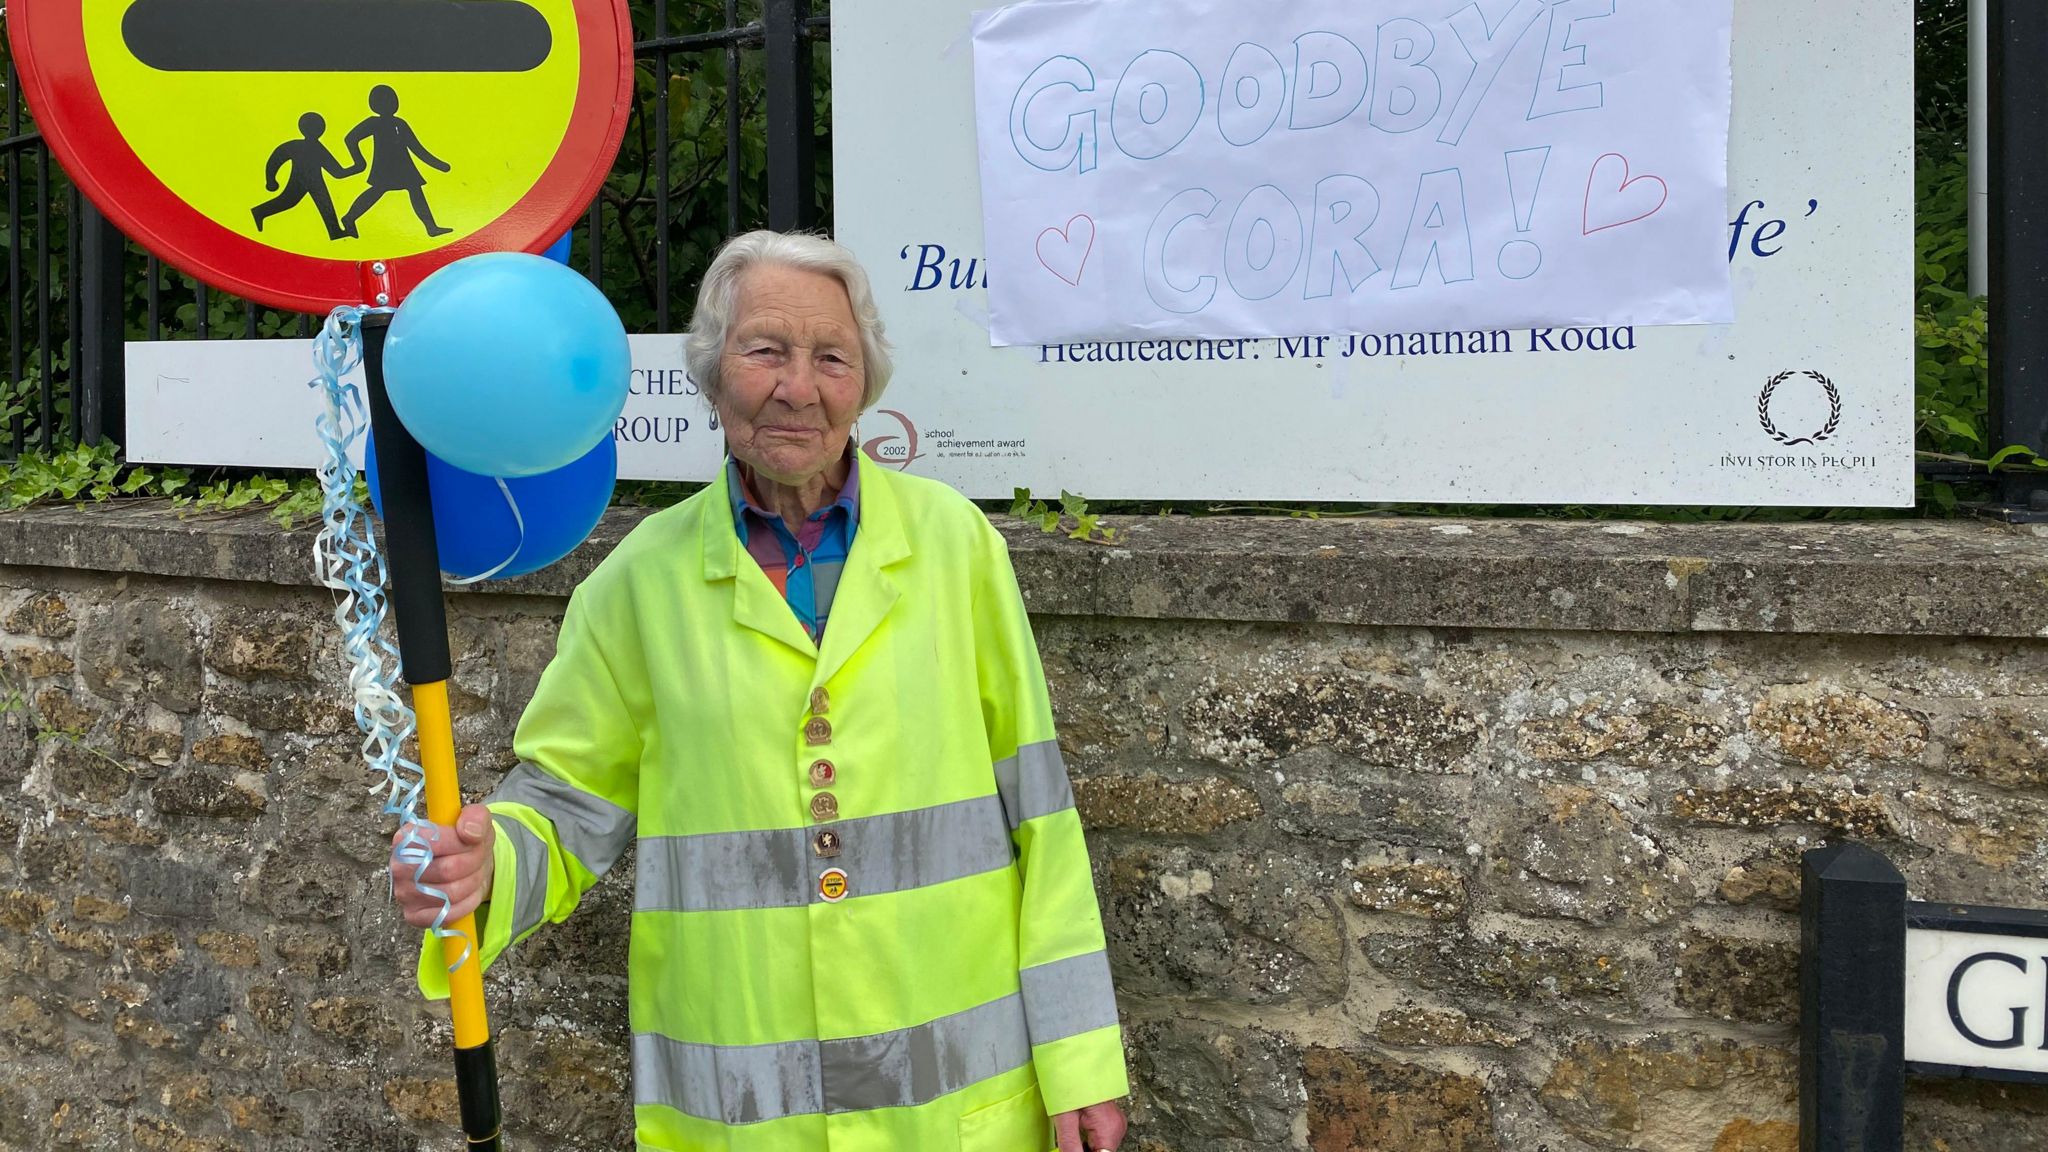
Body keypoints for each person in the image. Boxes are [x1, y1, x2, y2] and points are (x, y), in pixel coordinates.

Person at [392, 231, 1131, 1152]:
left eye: (832, 357)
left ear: (865, 383)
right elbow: (564, 805)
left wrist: (1082, 1061)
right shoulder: (635, 584)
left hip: (953, 1112)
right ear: (711, 372)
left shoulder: (956, 546)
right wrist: (492, 862)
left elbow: (1043, 820)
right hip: (738, 1116)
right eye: (766, 350)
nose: (799, 386)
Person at [338, 84, 454, 238]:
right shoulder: (374, 122)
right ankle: (349, 217)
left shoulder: (400, 123)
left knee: (414, 190)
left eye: (393, 100)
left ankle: (431, 227)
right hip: (385, 166)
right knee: (377, 191)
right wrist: (359, 160)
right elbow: (350, 138)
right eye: (385, 101)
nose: (391, 104)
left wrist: (438, 164)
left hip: (404, 165)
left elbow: (416, 147)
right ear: (375, 104)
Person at [251, 112, 354, 240]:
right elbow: (277, 158)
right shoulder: (309, 147)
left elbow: (337, 172)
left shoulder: (305, 146)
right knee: (290, 201)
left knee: (323, 204)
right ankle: (259, 212)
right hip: (302, 181)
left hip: (314, 181)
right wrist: (270, 180)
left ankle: (335, 231)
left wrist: (271, 180)